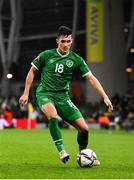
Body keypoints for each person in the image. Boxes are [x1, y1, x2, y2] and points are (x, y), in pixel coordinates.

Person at [19, 26, 113, 165]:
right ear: (57, 41)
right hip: (45, 93)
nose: (66, 44)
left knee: (84, 129)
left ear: (72, 41)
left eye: (68, 41)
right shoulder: (46, 55)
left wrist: (104, 96)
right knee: (53, 115)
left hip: (63, 97)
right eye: (63, 41)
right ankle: (62, 151)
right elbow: (32, 71)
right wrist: (26, 93)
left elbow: (92, 78)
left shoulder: (76, 59)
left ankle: (83, 156)